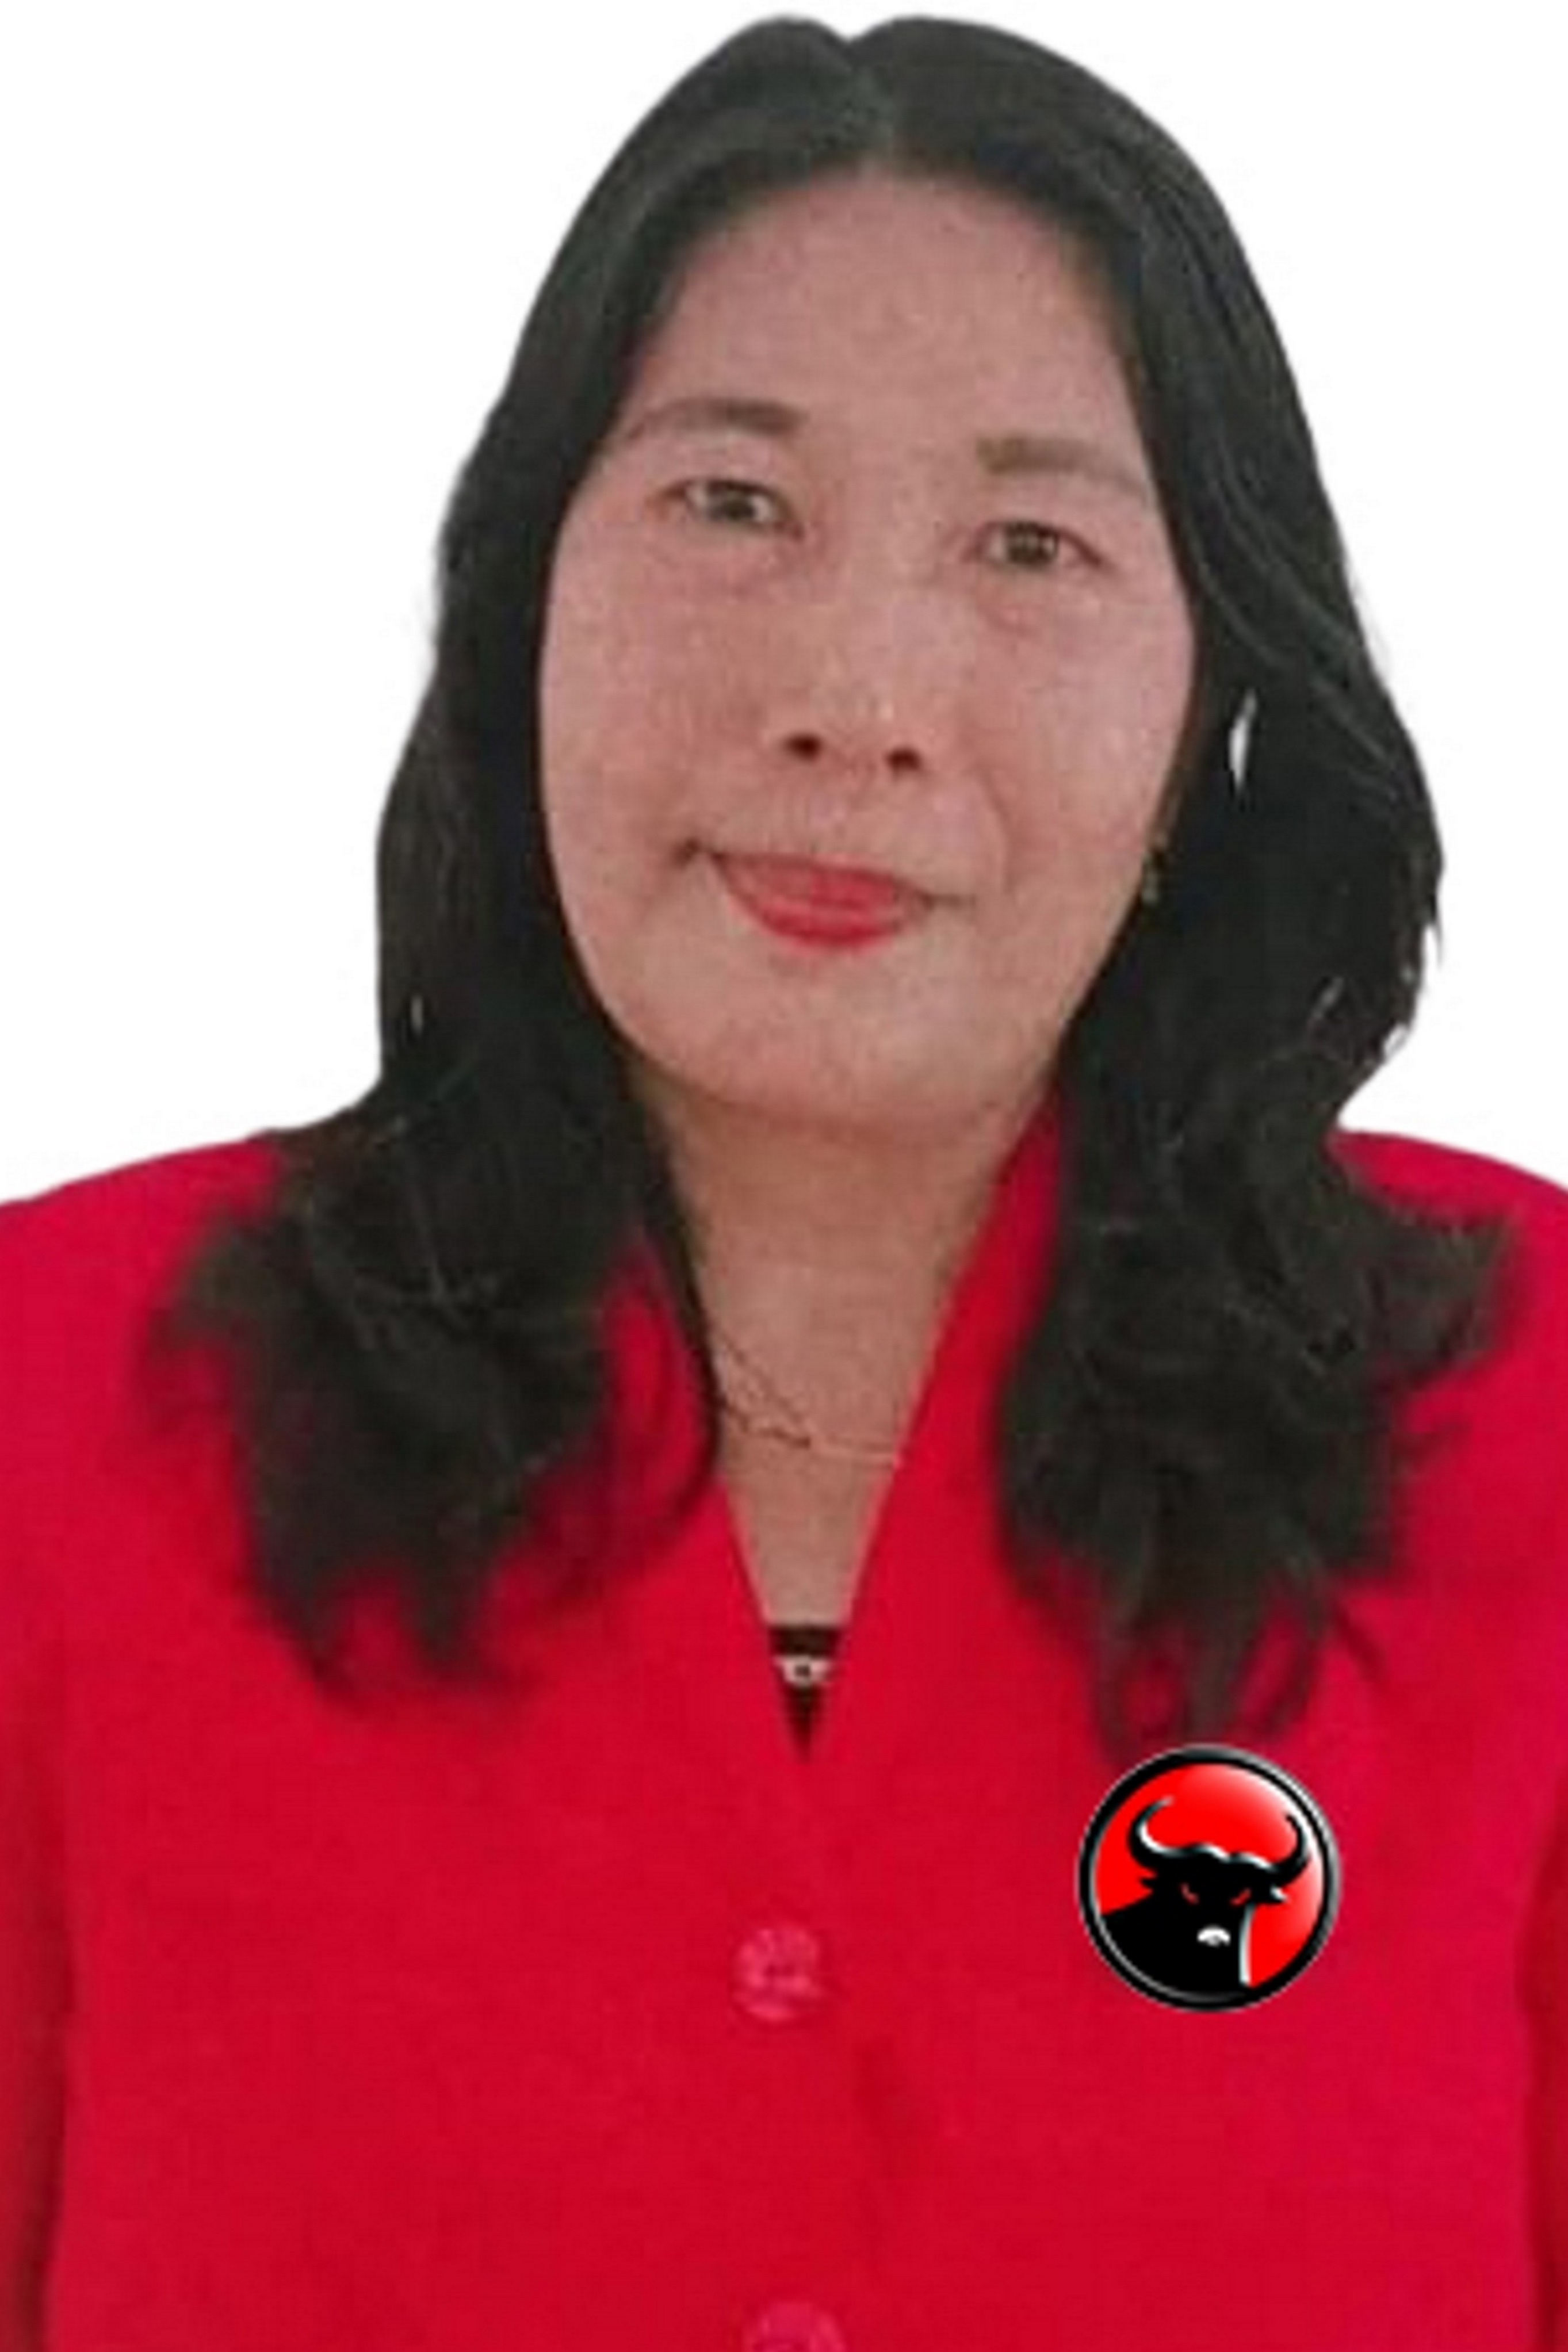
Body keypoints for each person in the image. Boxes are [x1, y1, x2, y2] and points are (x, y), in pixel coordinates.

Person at [3, 16, 1567, 2350]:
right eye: (732, 504)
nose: (859, 695)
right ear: (524, 602)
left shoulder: (1528, 1410)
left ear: (1204, 718)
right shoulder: (50, 1404)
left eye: (1029, 544)